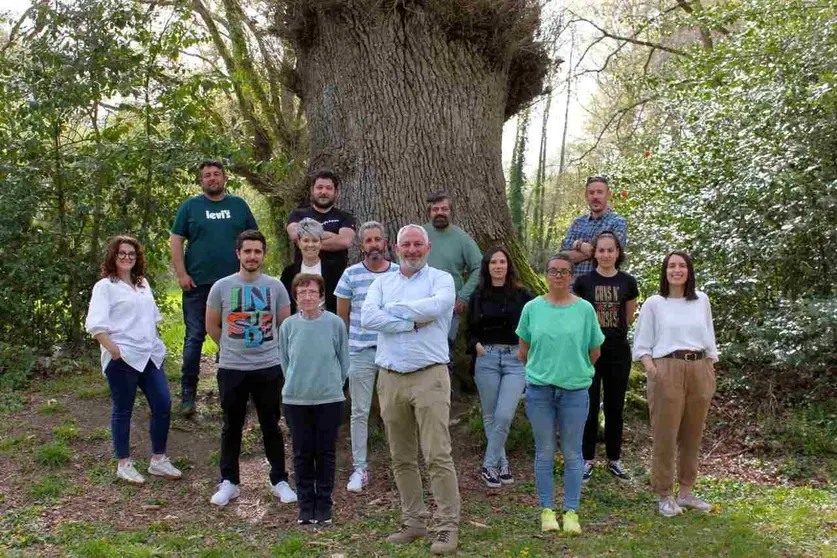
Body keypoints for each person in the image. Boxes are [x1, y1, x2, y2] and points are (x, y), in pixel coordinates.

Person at [361, 224, 460, 556]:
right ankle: (413, 522)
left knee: (437, 455)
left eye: (418, 244)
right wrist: (408, 321)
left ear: (428, 247)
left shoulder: (441, 280)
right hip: (389, 377)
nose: (413, 250)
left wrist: (392, 311)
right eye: (407, 245)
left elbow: (437, 307)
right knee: (401, 457)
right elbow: (367, 318)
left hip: (429, 376)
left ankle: (447, 528)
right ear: (396, 248)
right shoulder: (381, 282)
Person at [205, 230, 297, 507]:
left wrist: (275, 355)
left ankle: (279, 480)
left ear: (263, 254)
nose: (252, 256)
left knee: (271, 424)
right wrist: (230, 348)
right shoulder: (221, 287)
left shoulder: (276, 287)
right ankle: (229, 482)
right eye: (247, 251)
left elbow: (285, 326)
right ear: (238, 254)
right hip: (232, 368)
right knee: (231, 426)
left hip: (268, 366)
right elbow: (211, 325)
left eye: (257, 251)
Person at [516, 253, 605, 535]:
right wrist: (544, 371)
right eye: (553, 271)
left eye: (564, 271)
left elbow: (594, 350)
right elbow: (523, 350)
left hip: (575, 391)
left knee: (572, 452)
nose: (558, 276)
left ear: (572, 276)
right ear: (545, 274)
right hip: (540, 391)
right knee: (544, 452)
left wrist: (573, 371)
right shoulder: (532, 308)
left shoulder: (585, 310)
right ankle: (546, 510)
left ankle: (571, 511)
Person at [85, 235, 182, 484]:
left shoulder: (142, 284)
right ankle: (124, 463)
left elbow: (151, 318)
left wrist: (156, 344)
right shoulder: (105, 286)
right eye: (122, 253)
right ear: (113, 257)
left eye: (131, 253)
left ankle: (158, 460)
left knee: (162, 403)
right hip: (123, 358)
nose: (127, 257)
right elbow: (96, 326)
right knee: (123, 410)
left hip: (149, 355)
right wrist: (115, 351)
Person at [633, 251, 718, 518]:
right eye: (671, 266)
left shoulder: (701, 300)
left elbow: (709, 336)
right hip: (666, 369)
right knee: (665, 435)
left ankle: (686, 492)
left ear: (689, 271)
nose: (677, 270)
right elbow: (642, 344)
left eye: (682, 265)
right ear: (665, 271)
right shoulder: (654, 303)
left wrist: (709, 365)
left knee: (693, 434)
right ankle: (664, 495)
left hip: (699, 368)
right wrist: (653, 371)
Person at [171, 160, 258, 416]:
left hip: (236, 285)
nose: (212, 178)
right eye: (207, 175)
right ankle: (188, 395)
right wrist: (181, 274)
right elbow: (176, 240)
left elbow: (254, 239)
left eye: (216, 174)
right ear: (201, 181)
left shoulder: (238, 206)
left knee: (238, 335)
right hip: (198, 284)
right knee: (194, 338)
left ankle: (241, 392)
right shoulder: (190, 207)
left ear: (225, 178)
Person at [334, 221, 400, 493]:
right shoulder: (350, 275)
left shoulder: (398, 273)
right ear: (362, 246)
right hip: (360, 352)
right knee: (359, 411)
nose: (374, 244)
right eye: (368, 240)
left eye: (378, 239)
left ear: (385, 243)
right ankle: (360, 469)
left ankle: (401, 467)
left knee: (395, 412)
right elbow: (342, 318)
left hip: (393, 351)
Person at [280, 274, 350, 525]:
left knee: (326, 453)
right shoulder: (288, 326)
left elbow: (344, 361)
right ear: (295, 296)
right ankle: (305, 506)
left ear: (321, 295)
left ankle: (324, 506)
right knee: (302, 453)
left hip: (328, 399)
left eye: (312, 292)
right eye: (302, 292)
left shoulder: (335, 323)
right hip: (296, 400)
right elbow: (285, 362)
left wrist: (330, 385)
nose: (307, 297)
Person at [573, 232, 639, 483]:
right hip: (588, 350)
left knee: (615, 406)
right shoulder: (584, 282)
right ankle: (586, 458)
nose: (606, 254)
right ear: (595, 254)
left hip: (617, 351)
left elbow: (628, 317)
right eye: (601, 250)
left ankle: (614, 458)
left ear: (618, 253)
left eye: (611, 250)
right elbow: (578, 316)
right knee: (588, 405)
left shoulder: (628, 282)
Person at [466, 246, 532, 488]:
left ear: (508, 265)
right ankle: (500, 464)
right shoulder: (478, 295)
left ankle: (488, 464)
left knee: (504, 414)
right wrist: (477, 347)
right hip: (487, 359)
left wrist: (526, 349)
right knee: (491, 415)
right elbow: (470, 330)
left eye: (502, 261)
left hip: (515, 359)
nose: (498, 266)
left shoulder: (523, 295)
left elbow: (535, 324)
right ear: (487, 267)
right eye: (493, 262)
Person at [423, 192, 482, 380]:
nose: (440, 213)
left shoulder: (462, 239)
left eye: (444, 209)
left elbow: (480, 267)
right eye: (435, 209)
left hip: (450, 306)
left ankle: (444, 394)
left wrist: (463, 296)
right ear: (429, 212)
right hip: (420, 303)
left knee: (444, 348)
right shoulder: (420, 235)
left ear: (451, 212)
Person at [286, 169, 356, 273]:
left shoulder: (345, 217)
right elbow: (295, 236)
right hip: (303, 280)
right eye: (319, 187)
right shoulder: (297, 214)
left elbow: (344, 241)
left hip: (336, 280)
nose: (323, 192)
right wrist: (332, 236)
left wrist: (308, 239)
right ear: (312, 190)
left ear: (335, 192)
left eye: (329, 188)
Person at [560, 176, 628, 278]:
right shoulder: (577, 223)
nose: (595, 196)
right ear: (586, 196)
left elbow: (611, 256)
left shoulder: (617, 222)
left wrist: (578, 245)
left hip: (602, 287)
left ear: (608, 195)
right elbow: (562, 258)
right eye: (591, 193)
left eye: (600, 192)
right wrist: (594, 250)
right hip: (573, 289)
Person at [280, 218, 342, 313]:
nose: (310, 245)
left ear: (320, 243)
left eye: (315, 240)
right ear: (299, 243)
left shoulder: (335, 270)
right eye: (306, 240)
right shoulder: (288, 272)